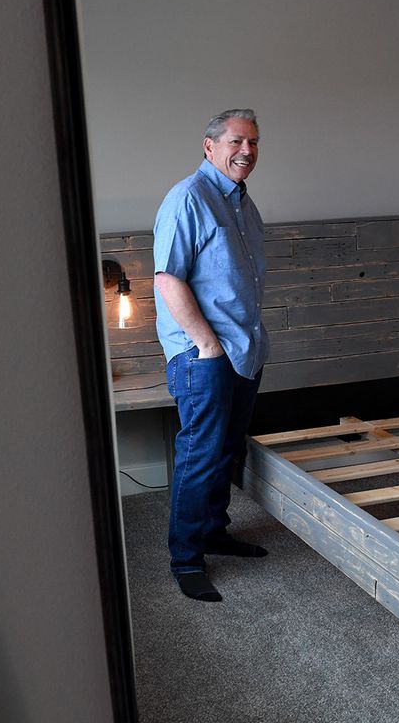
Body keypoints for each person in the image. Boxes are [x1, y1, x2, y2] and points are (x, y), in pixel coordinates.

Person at [153, 108, 269, 602]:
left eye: (254, 142)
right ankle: (185, 558)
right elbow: (167, 279)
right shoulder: (188, 198)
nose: (247, 150)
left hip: (242, 349)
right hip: (205, 354)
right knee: (200, 455)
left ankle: (214, 533)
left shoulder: (242, 203)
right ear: (209, 146)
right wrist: (206, 343)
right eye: (237, 141)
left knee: (226, 449)